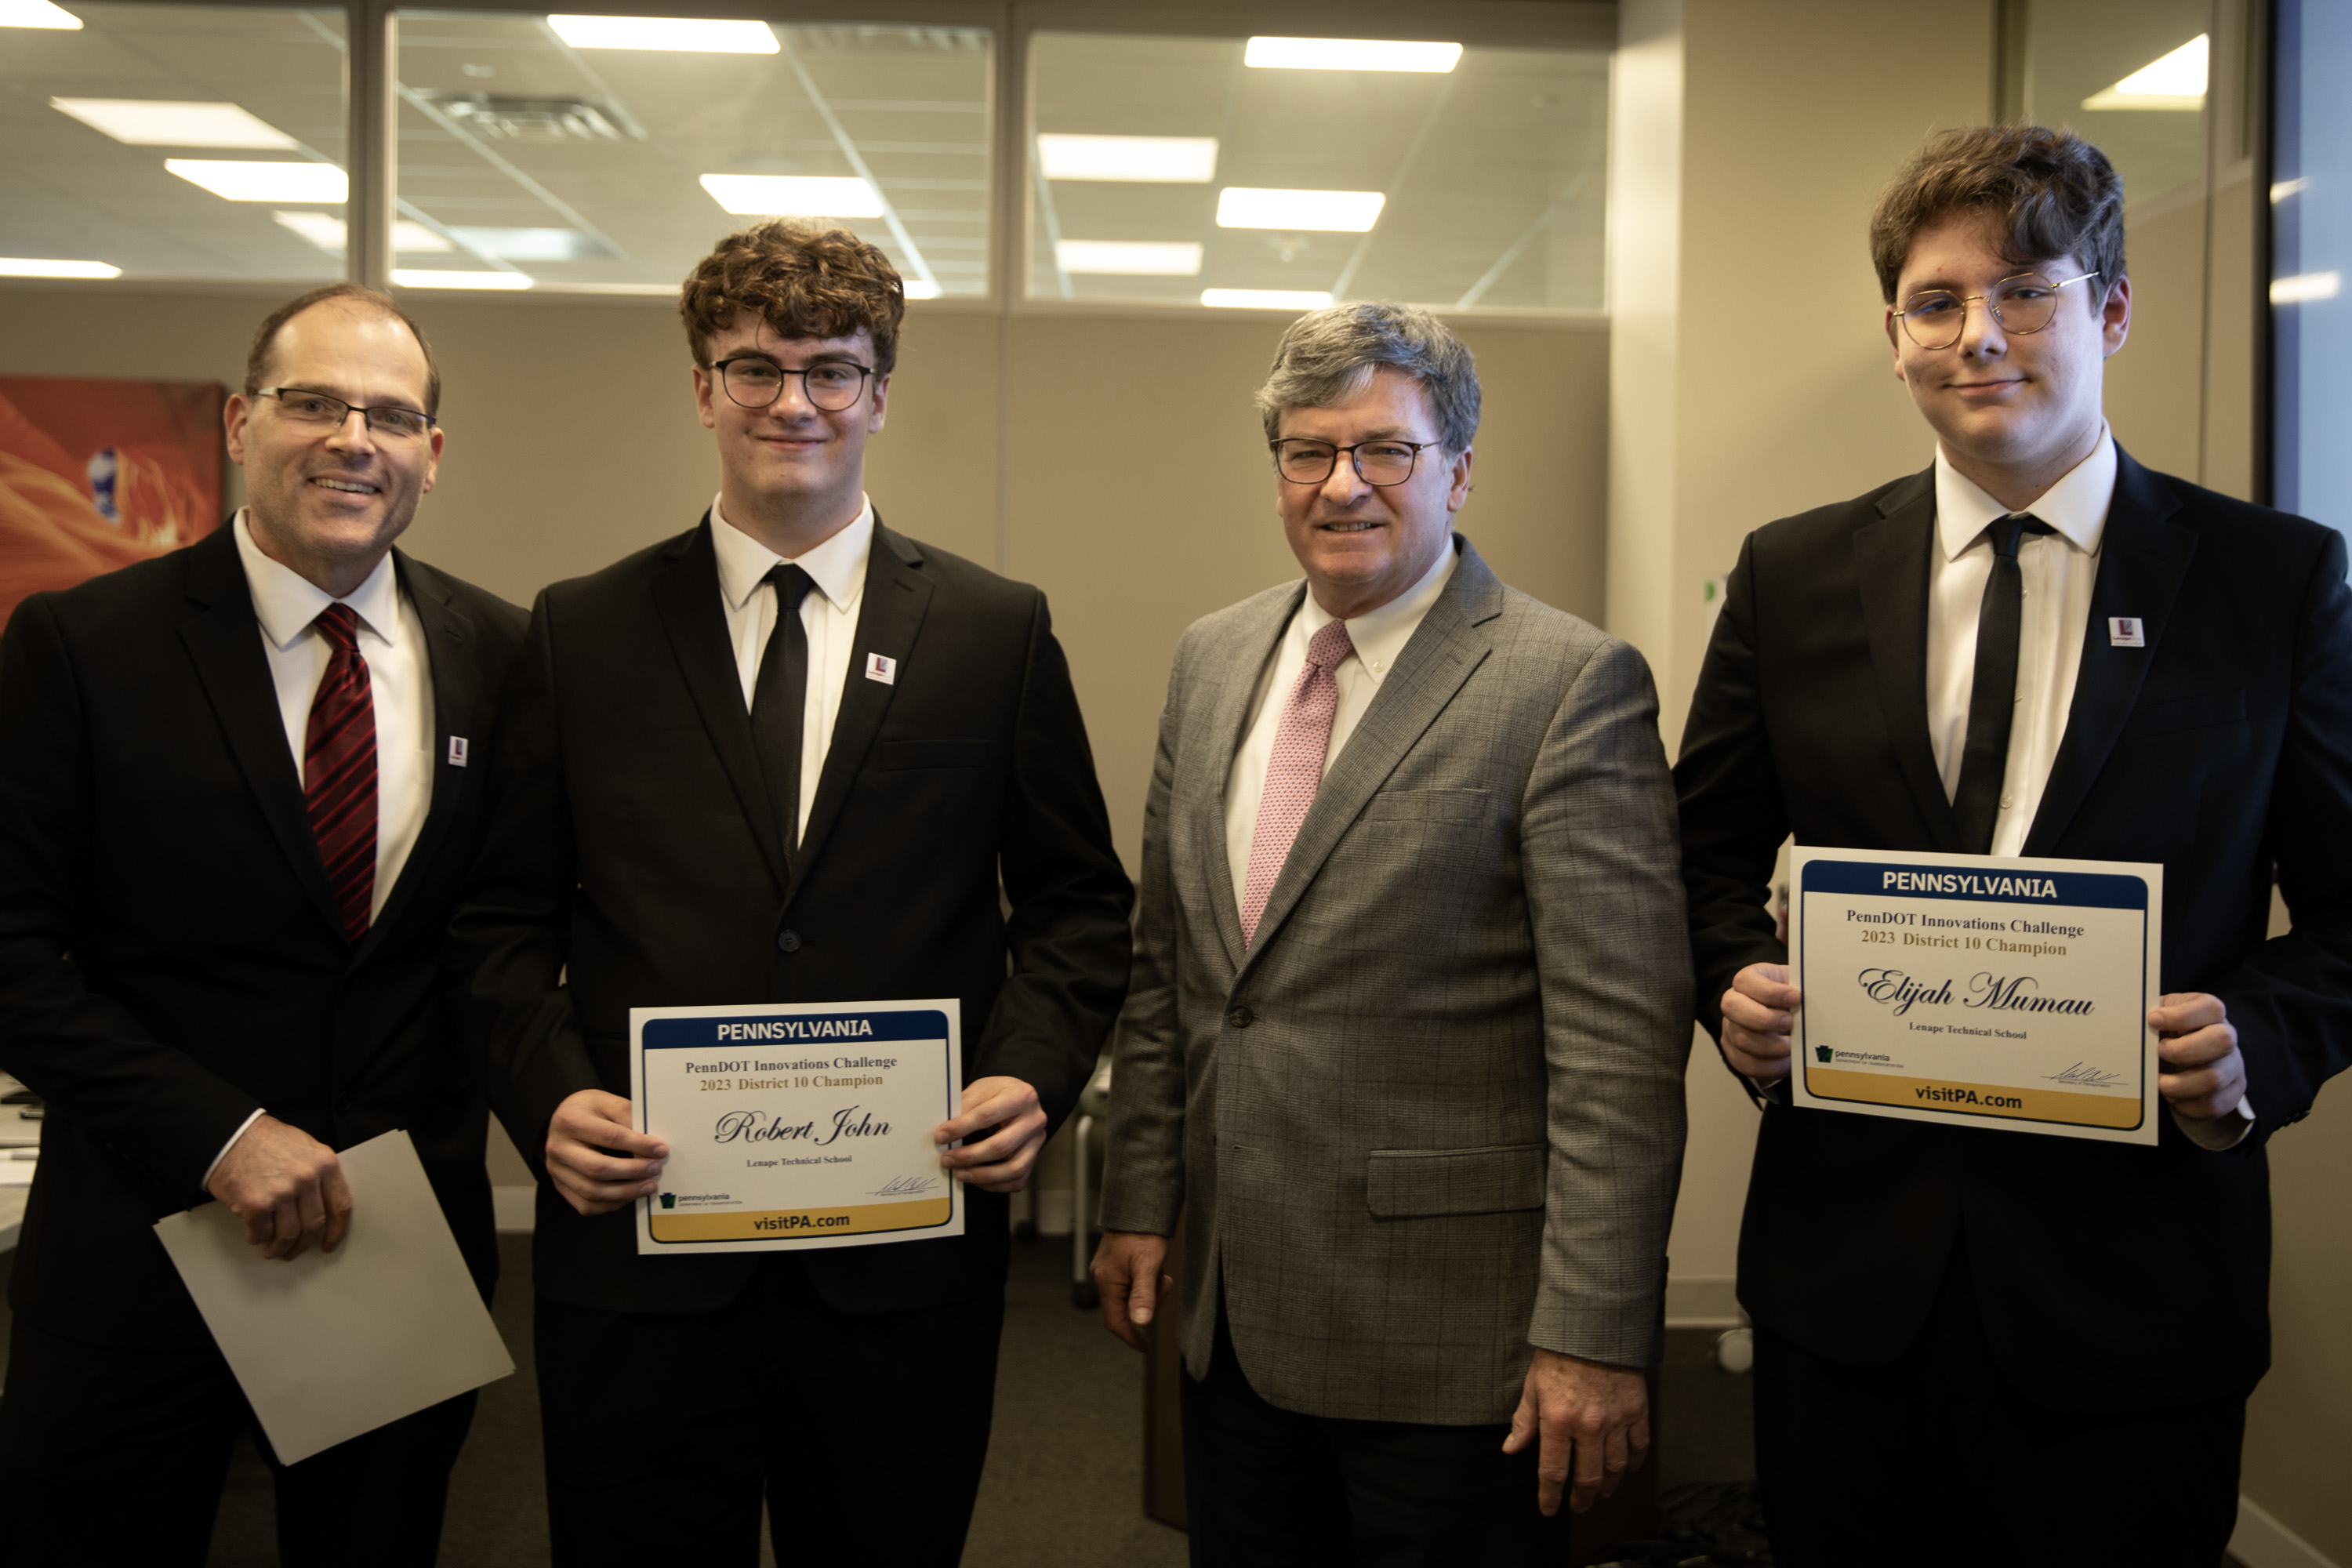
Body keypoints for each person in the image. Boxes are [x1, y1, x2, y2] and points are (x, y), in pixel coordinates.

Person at [1675, 124, 2352, 1567]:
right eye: (1937, 303)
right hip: (1850, 1284)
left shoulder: (2273, 581)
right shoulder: (1792, 572)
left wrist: (2257, 1050)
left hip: (2138, 1285)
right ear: (1894, 335)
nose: (1980, 335)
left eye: (2027, 290)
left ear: (2109, 311)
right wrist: (1731, 980)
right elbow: (1694, 854)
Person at [447, 218, 1134, 1566]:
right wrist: (542, 1095)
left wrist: (1035, 1074)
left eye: (832, 368)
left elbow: (1075, 907)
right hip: (641, 1254)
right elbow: (500, 922)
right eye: (754, 368)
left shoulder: (994, 630)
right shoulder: (582, 630)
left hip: (900, 1267)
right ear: (702, 388)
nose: (793, 403)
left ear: (881, 392)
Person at [1091, 301, 1692, 1563]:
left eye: (1387, 451)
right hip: (1234, 1319)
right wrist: (1140, 1200)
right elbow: (1174, 979)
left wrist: (1592, 1328)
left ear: (1460, 468)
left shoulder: (1565, 682)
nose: (1342, 485)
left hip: (1452, 1344)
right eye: (1308, 452)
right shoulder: (1213, 660)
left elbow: (1616, 1053)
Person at [0, 284, 526, 1566]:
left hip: (388, 1242)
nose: (355, 439)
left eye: (392, 416)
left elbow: (506, 939)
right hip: (145, 1239)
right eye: (313, 404)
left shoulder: (504, 657)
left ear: (433, 456)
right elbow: (9, 954)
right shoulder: (85, 644)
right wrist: (221, 1135)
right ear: (241, 423)